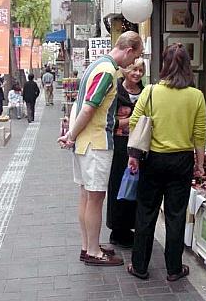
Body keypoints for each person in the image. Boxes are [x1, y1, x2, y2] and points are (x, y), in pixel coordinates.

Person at [57, 31, 143, 267]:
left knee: (86, 196)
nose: (131, 64)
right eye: (134, 56)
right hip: (96, 143)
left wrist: (72, 134)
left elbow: (81, 105)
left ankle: (88, 246)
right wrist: (71, 135)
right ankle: (93, 251)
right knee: (95, 198)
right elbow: (88, 108)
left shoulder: (96, 65)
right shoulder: (107, 71)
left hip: (86, 142)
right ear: (129, 51)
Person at [127, 43, 206, 281]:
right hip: (182, 161)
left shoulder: (150, 91)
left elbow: (134, 122)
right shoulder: (196, 96)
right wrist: (200, 164)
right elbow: (199, 133)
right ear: (187, 67)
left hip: (152, 159)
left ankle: (139, 266)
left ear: (164, 64)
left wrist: (134, 156)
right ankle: (174, 268)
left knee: (146, 212)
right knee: (175, 214)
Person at [107, 58, 145, 248]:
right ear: (124, 70)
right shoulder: (115, 92)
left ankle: (133, 227)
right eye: (134, 69)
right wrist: (129, 122)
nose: (137, 73)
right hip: (120, 146)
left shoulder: (146, 93)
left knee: (136, 186)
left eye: (141, 70)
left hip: (141, 147)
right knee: (118, 186)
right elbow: (107, 120)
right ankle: (117, 229)